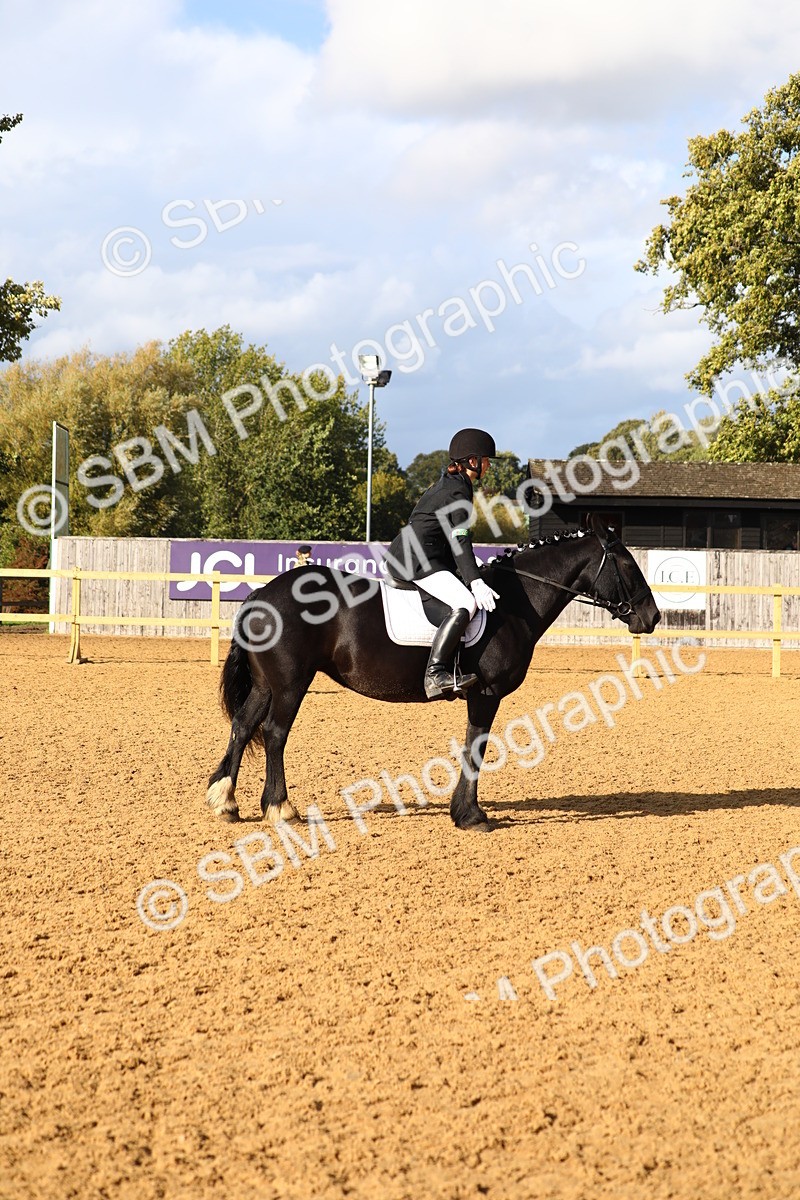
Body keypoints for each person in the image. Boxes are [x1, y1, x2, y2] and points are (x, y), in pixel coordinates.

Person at [385, 428, 500, 700]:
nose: (488, 465)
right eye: (485, 460)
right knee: (466, 603)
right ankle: (435, 674)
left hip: (421, 554)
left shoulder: (453, 483)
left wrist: (469, 568)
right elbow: (459, 539)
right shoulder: (458, 490)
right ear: (472, 461)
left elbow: (450, 538)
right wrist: (475, 581)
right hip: (416, 560)